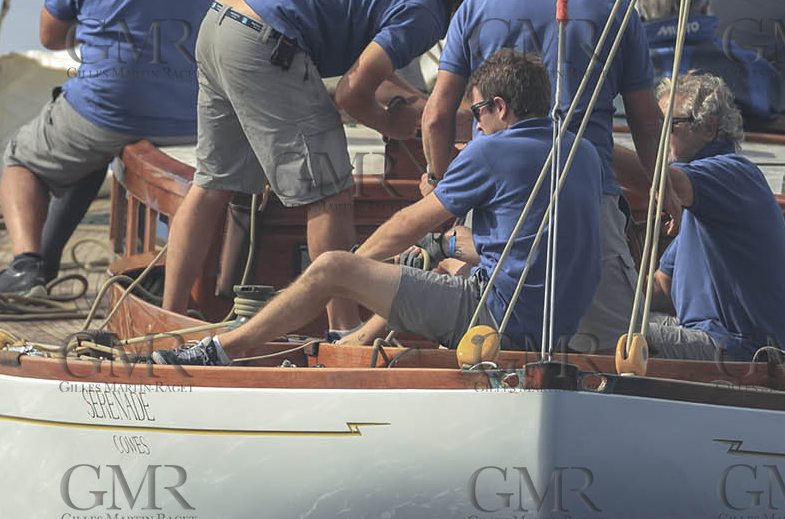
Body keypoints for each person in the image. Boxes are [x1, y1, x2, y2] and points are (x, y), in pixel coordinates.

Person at [159, 0, 520, 332]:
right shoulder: (425, 13)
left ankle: (170, 316)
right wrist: (392, 125)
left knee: (212, 182)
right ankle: (343, 332)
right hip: (267, 38)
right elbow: (349, 95)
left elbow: (369, 74)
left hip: (224, 15)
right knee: (330, 189)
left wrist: (414, 107)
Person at [153, 49, 602, 365]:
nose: (477, 124)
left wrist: (349, 270)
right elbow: (522, 245)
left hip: (500, 319)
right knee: (442, 265)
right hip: (555, 327)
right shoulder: (581, 151)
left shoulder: (493, 151)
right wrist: (442, 246)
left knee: (330, 268)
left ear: (500, 108)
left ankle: (226, 349)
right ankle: (354, 344)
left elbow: (408, 222)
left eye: (479, 112)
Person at [0, 0, 238, 294]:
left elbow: (51, 35)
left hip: (109, 107)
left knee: (22, 160)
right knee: (91, 140)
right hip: (193, 114)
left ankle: (28, 266)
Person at [422, 0, 660, 351]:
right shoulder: (617, 14)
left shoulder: (475, 9)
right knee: (608, 353)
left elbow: (435, 117)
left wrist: (440, 184)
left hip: (495, 201)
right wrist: (662, 194)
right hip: (588, 201)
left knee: (490, 344)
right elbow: (646, 122)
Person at [648, 72, 785, 360]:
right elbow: (661, 285)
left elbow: (666, 181)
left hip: (746, 350)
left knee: (613, 333)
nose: (658, 136)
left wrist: (593, 154)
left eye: (667, 126)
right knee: (604, 319)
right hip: (717, 337)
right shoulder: (707, 201)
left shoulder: (732, 174)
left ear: (708, 128)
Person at [636, 0, 781, 123]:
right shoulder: (750, 66)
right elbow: (770, 105)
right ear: (705, 9)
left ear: (644, 15)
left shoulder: (623, 63)